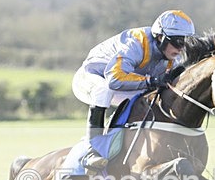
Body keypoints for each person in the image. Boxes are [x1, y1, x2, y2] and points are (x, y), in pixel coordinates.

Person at [72, 10, 196, 170]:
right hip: (90, 77)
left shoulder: (169, 53)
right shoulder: (137, 43)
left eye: (186, 42)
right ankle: (91, 151)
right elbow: (114, 79)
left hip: (119, 82)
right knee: (103, 90)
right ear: (160, 37)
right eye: (178, 42)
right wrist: (152, 80)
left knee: (148, 98)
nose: (181, 48)